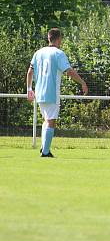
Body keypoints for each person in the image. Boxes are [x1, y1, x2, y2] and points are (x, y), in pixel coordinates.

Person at [26, 28, 89, 158]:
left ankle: (44, 148)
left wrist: (29, 89)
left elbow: (30, 72)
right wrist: (82, 82)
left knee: (46, 120)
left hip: (39, 91)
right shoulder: (58, 53)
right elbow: (69, 71)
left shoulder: (38, 53)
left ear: (48, 38)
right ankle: (45, 152)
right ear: (59, 39)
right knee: (51, 121)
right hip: (51, 92)